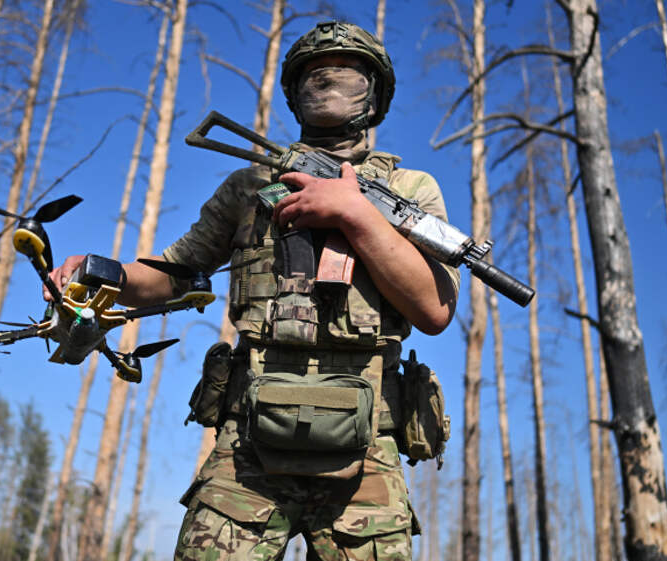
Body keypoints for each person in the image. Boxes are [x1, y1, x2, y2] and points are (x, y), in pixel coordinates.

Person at [48, 20, 459, 560]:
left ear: (375, 96)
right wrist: (101, 273)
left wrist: (356, 215)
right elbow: (174, 271)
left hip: (366, 450)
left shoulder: (409, 191)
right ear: (294, 93)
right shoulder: (251, 186)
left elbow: (434, 308)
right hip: (248, 443)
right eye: (315, 77)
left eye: (347, 76)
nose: (329, 86)